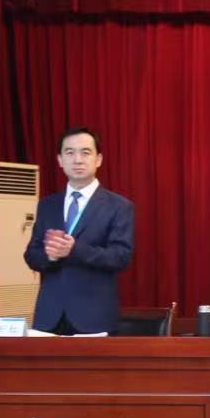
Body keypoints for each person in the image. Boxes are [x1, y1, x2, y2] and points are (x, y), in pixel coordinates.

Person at [24, 126, 135, 335]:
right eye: (69, 152)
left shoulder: (119, 206)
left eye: (85, 152)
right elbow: (31, 256)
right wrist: (50, 256)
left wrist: (74, 250)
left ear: (98, 159)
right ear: (60, 160)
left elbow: (121, 257)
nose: (77, 160)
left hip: (94, 317)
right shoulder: (47, 205)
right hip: (49, 317)